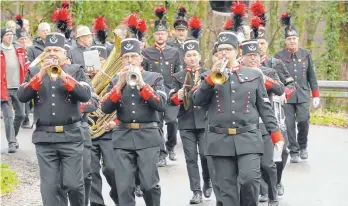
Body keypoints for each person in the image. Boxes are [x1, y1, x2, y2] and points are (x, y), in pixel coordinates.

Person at [192, 12, 284, 205]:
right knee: (227, 193)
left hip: (248, 138)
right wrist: (210, 79)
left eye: (228, 49)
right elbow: (197, 101)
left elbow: (265, 108)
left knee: (250, 181)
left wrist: (276, 135)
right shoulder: (208, 76)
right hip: (219, 140)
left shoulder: (254, 74)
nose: (224, 53)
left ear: (237, 52)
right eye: (221, 50)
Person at [17, 32, 91, 206]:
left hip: (71, 138)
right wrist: (41, 75)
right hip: (45, 139)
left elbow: (85, 94)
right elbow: (22, 96)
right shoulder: (35, 72)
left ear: (64, 54)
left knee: (73, 185)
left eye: (56, 50)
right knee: (49, 190)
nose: (51, 53)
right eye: (48, 50)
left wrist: (64, 76)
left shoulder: (76, 70)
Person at [101, 15, 165, 205]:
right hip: (123, 137)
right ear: (121, 60)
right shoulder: (115, 82)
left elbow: (160, 105)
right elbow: (105, 108)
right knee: (124, 187)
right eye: (126, 57)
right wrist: (119, 85)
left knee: (149, 185)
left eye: (133, 57)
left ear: (140, 58)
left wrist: (142, 84)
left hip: (148, 135)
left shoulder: (154, 78)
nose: (130, 60)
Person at [169, 16, 212, 204]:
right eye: (189, 55)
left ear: (200, 57)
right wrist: (177, 96)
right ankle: (196, 191)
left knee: (205, 155)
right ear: (184, 58)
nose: (192, 58)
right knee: (191, 158)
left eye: (195, 55)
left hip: (205, 121)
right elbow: (171, 100)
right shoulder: (178, 76)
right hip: (186, 121)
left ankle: (208, 181)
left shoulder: (209, 74)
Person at [241, 36, 284, 206]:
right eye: (249, 55)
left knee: (267, 164)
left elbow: (279, 88)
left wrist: (260, 77)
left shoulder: (268, 72)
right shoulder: (237, 73)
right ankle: (262, 192)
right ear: (242, 57)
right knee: (252, 166)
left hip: (265, 124)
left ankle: (273, 195)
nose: (253, 58)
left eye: (256, 55)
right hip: (246, 126)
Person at [275, 13, 320, 163]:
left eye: (294, 38)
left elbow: (311, 76)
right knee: (288, 125)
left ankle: (303, 147)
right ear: (285, 41)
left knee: (303, 120)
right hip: (286, 96)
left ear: (298, 40)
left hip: (302, 95)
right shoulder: (278, 56)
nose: (292, 41)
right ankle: (293, 150)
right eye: (289, 39)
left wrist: (316, 95)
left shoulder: (306, 54)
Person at [142, 7, 182, 166]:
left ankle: (171, 146)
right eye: (158, 33)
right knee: (156, 124)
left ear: (167, 34)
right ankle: (161, 153)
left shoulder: (175, 51)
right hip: (155, 93)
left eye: (163, 33)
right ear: (154, 35)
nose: (160, 36)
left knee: (172, 121)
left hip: (170, 92)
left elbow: (179, 72)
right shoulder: (146, 52)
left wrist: (178, 90)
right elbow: (143, 72)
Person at [1, 27, 29, 153]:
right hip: (4, 88)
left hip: (18, 86)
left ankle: (14, 137)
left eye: (11, 34)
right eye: (7, 34)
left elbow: (25, 66)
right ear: (2, 37)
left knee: (21, 115)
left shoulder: (19, 49)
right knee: (8, 116)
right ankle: (11, 143)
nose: (10, 36)